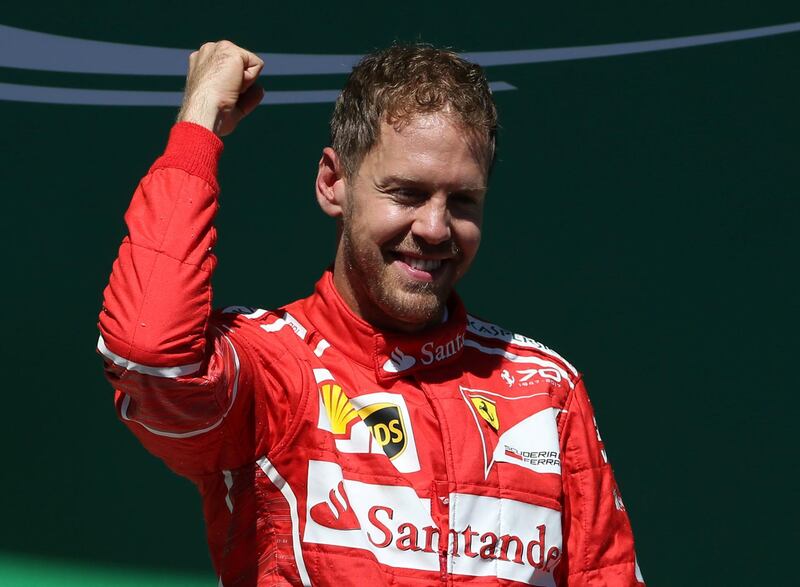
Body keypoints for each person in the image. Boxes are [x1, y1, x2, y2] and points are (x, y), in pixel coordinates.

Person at [97, 40, 645, 586]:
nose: (435, 228)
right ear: (333, 184)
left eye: (462, 201)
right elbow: (148, 352)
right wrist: (199, 126)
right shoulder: (272, 368)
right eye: (406, 193)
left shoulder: (545, 388)